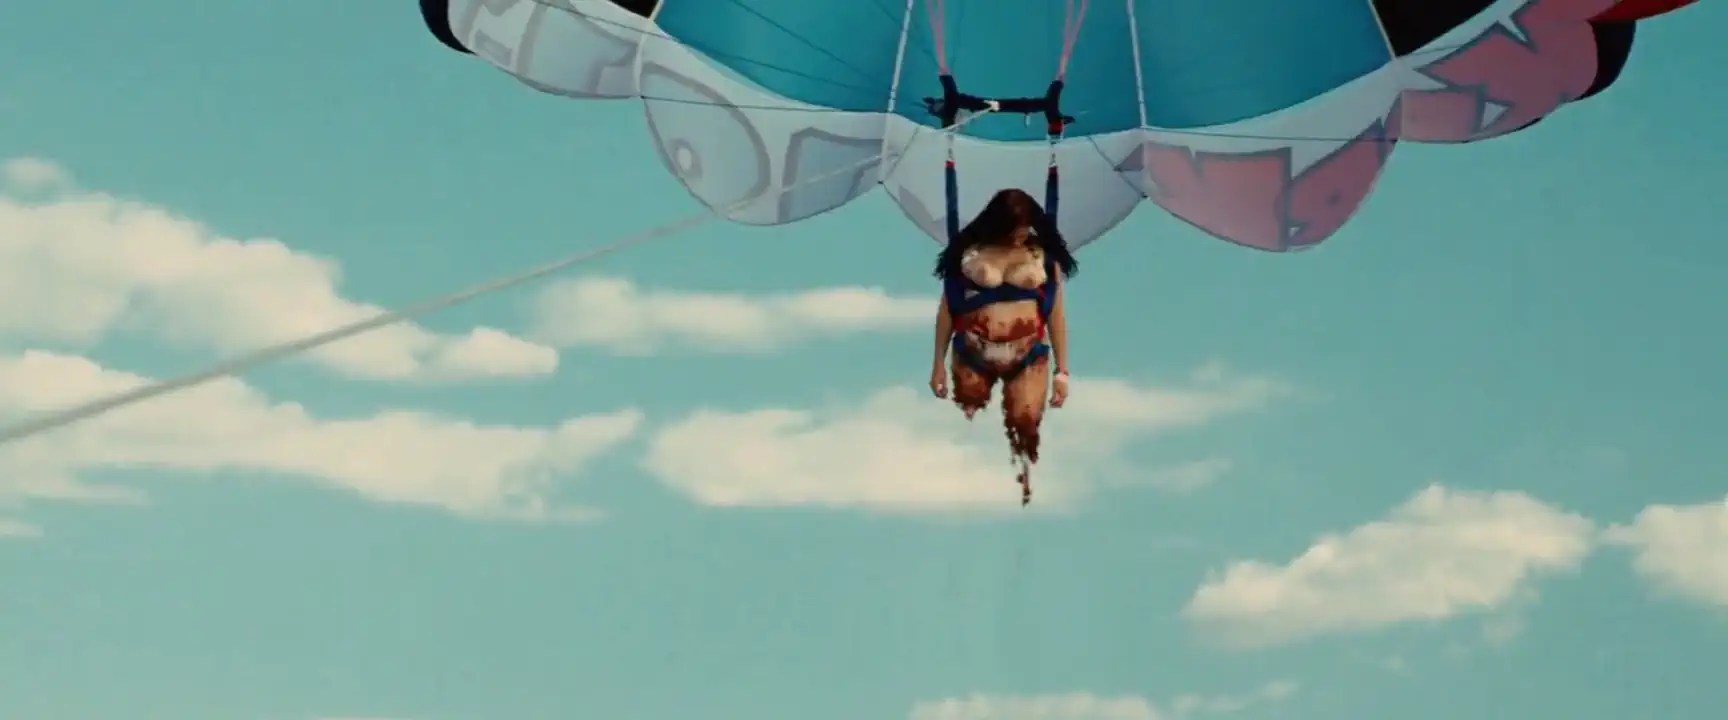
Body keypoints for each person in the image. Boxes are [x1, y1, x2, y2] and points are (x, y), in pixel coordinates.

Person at [928, 154, 1076, 506]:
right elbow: (947, 308)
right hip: (972, 349)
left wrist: (1063, 371)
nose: (1021, 236)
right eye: (1016, 230)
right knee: (968, 410)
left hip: (1028, 353)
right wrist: (936, 364)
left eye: (1026, 229)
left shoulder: (1042, 256)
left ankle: (1024, 491)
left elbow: (1056, 314)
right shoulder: (970, 253)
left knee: (1026, 426)